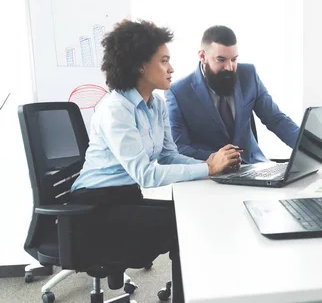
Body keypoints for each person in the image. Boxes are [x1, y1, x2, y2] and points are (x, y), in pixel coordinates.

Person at [70, 19, 240, 303]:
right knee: (185, 228)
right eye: (164, 61)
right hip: (94, 208)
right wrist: (206, 169)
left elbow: (168, 155)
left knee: (189, 219)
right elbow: (146, 174)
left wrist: (209, 165)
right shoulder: (116, 110)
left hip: (124, 197)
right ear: (139, 65)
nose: (171, 68)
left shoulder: (156, 102)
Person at [165, 25, 300, 163]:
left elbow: (276, 119)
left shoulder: (248, 75)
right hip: (210, 175)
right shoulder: (178, 92)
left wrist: (310, 148)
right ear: (202, 56)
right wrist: (216, 160)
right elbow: (179, 148)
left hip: (254, 165)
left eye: (234, 59)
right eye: (221, 60)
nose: (229, 67)